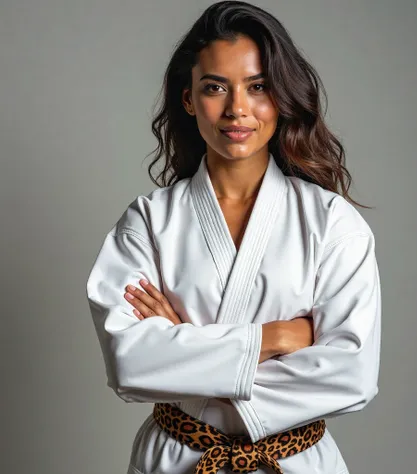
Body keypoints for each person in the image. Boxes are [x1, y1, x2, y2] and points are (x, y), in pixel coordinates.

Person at [86, 1, 381, 473]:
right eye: (215, 87)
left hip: (293, 460)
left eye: (258, 87)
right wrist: (273, 337)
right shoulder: (148, 221)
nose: (237, 108)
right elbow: (129, 362)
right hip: (179, 456)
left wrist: (182, 346)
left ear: (280, 98)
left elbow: (351, 377)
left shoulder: (330, 222)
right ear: (189, 100)